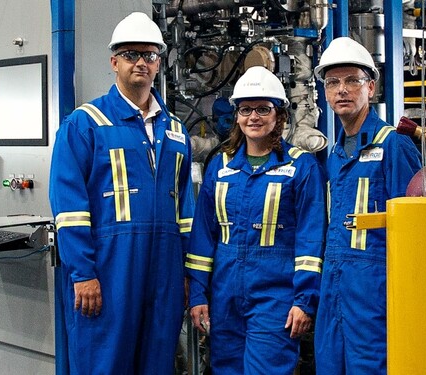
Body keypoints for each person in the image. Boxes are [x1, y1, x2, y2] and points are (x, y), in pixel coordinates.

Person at [48, 12, 195, 375]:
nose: (140, 62)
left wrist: (189, 272)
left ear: (160, 63)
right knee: (104, 361)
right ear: (114, 62)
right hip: (109, 270)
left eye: (149, 55)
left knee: (158, 361)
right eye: (131, 55)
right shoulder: (85, 124)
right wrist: (83, 273)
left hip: (165, 270)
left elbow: (186, 207)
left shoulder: (175, 131)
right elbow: (69, 208)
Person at [186, 66, 327, 374]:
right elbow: (202, 237)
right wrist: (197, 294)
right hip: (225, 299)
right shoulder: (221, 168)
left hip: (275, 299)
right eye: (246, 109)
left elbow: (310, 240)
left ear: (279, 116)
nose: (254, 117)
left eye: (264, 109)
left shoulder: (301, 168)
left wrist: (304, 301)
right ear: (236, 116)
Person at [312, 37, 422, 374]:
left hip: (375, 288)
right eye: (333, 82)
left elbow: (412, 233)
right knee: (329, 365)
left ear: (370, 88)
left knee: (371, 366)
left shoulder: (394, 146)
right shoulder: (336, 153)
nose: (341, 90)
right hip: (334, 283)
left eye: (351, 81)